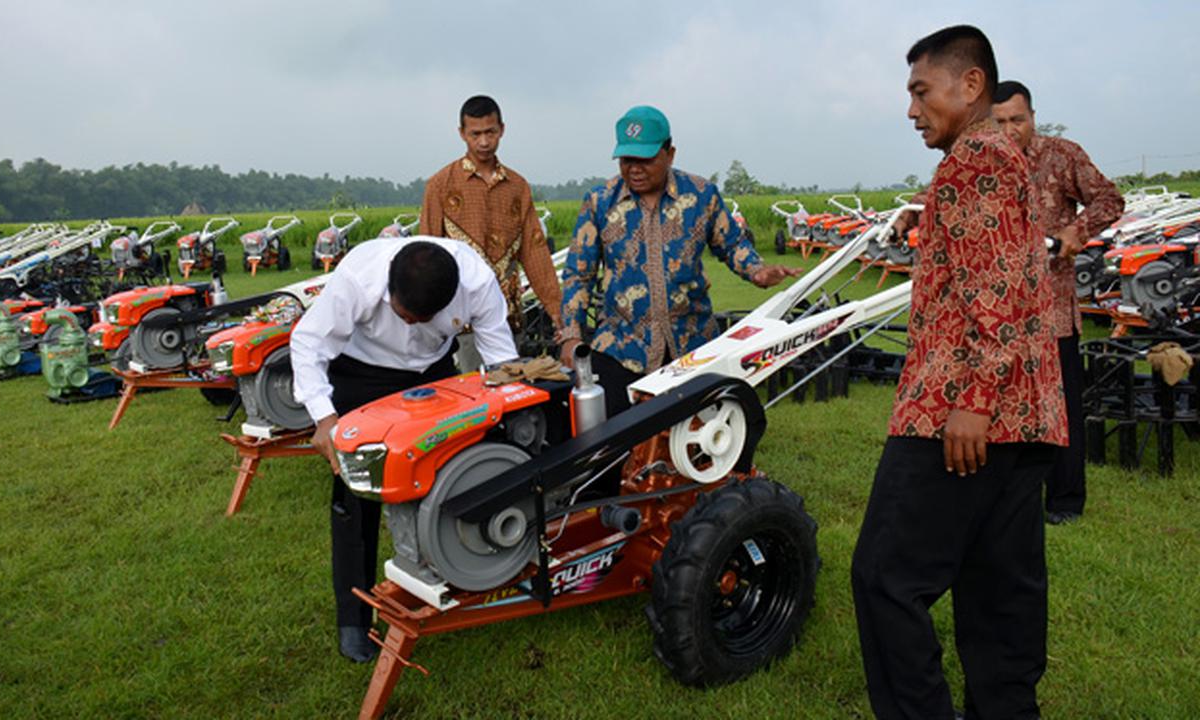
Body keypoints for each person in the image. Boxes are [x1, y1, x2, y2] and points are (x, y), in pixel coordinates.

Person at [850, 26, 1068, 720]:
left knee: (884, 579)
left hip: (957, 415)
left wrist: (972, 401)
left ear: (969, 85)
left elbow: (997, 291)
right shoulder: (1004, 159)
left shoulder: (974, 163)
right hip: (1023, 419)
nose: (912, 110)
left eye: (921, 91)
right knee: (998, 595)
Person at [290, 237, 517, 662]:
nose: (411, 325)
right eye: (404, 315)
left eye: (423, 318)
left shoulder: (477, 282)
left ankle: (451, 582)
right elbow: (307, 343)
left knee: (449, 480)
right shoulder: (359, 277)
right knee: (357, 494)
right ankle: (354, 620)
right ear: (388, 290)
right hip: (362, 373)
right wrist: (324, 418)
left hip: (433, 375)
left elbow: (501, 360)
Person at [557, 105, 800, 415]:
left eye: (645, 160)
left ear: (669, 153)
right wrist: (571, 335)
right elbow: (579, 274)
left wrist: (758, 271)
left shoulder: (701, 195)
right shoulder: (599, 201)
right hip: (621, 348)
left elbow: (732, 243)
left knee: (704, 443)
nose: (635, 169)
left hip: (692, 346)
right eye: (627, 160)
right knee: (618, 450)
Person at [992, 80, 1124, 525]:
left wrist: (1076, 232)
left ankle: (1065, 500)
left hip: (1051, 311)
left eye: (1018, 119)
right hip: (1000, 313)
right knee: (1005, 405)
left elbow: (1109, 198)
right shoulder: (983, 160)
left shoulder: (1062, 155)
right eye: (1000, 121)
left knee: (1062, 406)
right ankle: (1011, 498)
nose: (1010, 129)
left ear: (1033, 116)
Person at [420, 95, 563, 365]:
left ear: (502, 130)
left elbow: (534, 250)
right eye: (475, 134)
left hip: (508, 318)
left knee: (510, 389)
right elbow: (428, 251)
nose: (484, 142)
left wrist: (555, 307)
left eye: (490, 132)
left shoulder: (517, 187)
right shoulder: (440, 185)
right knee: (472, 396)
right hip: (460, 320)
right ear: (462, 133)